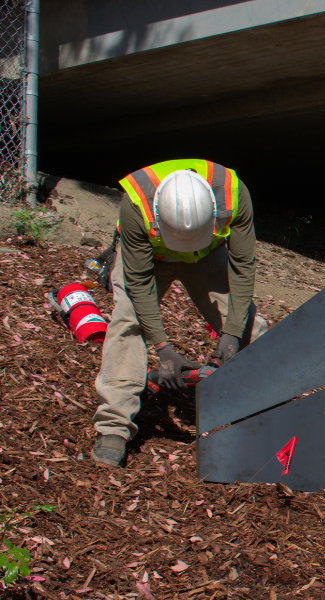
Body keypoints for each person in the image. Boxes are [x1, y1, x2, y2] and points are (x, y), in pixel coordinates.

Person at [91, 159, 268, 468]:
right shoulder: (136, 201)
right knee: (127, 324)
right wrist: (163, 348)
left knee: (251, 327)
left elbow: (243, 269)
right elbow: (138, 283)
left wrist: (232, 332)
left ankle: (270, 406)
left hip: (208, 254)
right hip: (150, 255)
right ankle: (114, 430)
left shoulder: (234, 193)